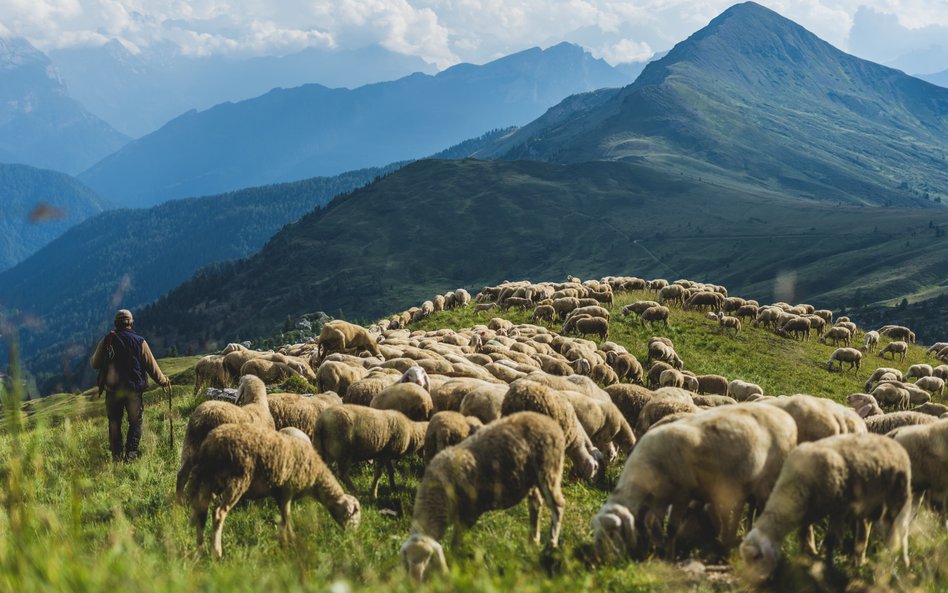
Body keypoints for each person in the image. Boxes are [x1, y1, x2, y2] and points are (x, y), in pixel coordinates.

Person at [91, 309, 171, 461]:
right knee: (135, 422)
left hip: (113, 390)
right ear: (131, 323)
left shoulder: (108, 340)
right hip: (133, 390)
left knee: (114, 422)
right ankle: (131, 455)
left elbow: (95, 364)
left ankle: (116, 456)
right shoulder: (140, 341)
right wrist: (163, 381)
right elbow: (151, 366)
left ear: (116, 323)